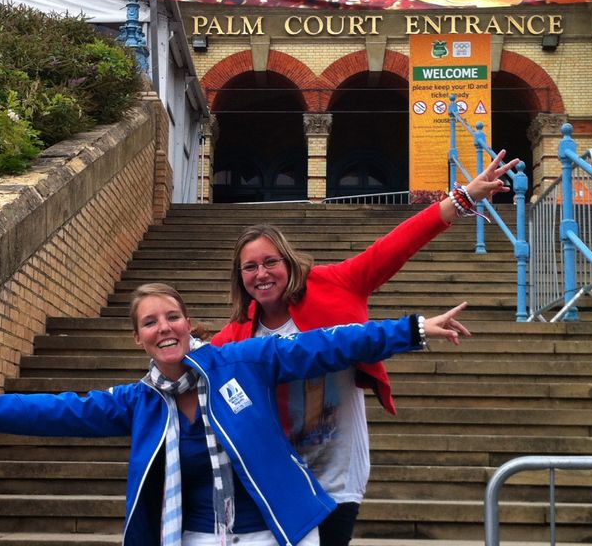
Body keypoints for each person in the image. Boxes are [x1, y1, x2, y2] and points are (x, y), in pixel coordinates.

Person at [0, 282, 473, 546]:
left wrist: (413, 329)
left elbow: (325, 346)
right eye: (151, 322)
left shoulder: (241, 361)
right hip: (193, 537)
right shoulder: (140, 402)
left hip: (272, 533)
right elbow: (61, 411)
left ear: (189, 324)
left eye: (173, 316)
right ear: (138, 340)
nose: (165, 328)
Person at [210, 149, 518, 546]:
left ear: (288, 263)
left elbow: (395, 246)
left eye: (270, 262)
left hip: (337, 473)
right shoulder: (236, 333)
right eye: (250, 267)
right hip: (276, 476)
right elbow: (197, 371)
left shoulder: (335, 283)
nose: (261, 273)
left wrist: (463, 198)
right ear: (240, 278)